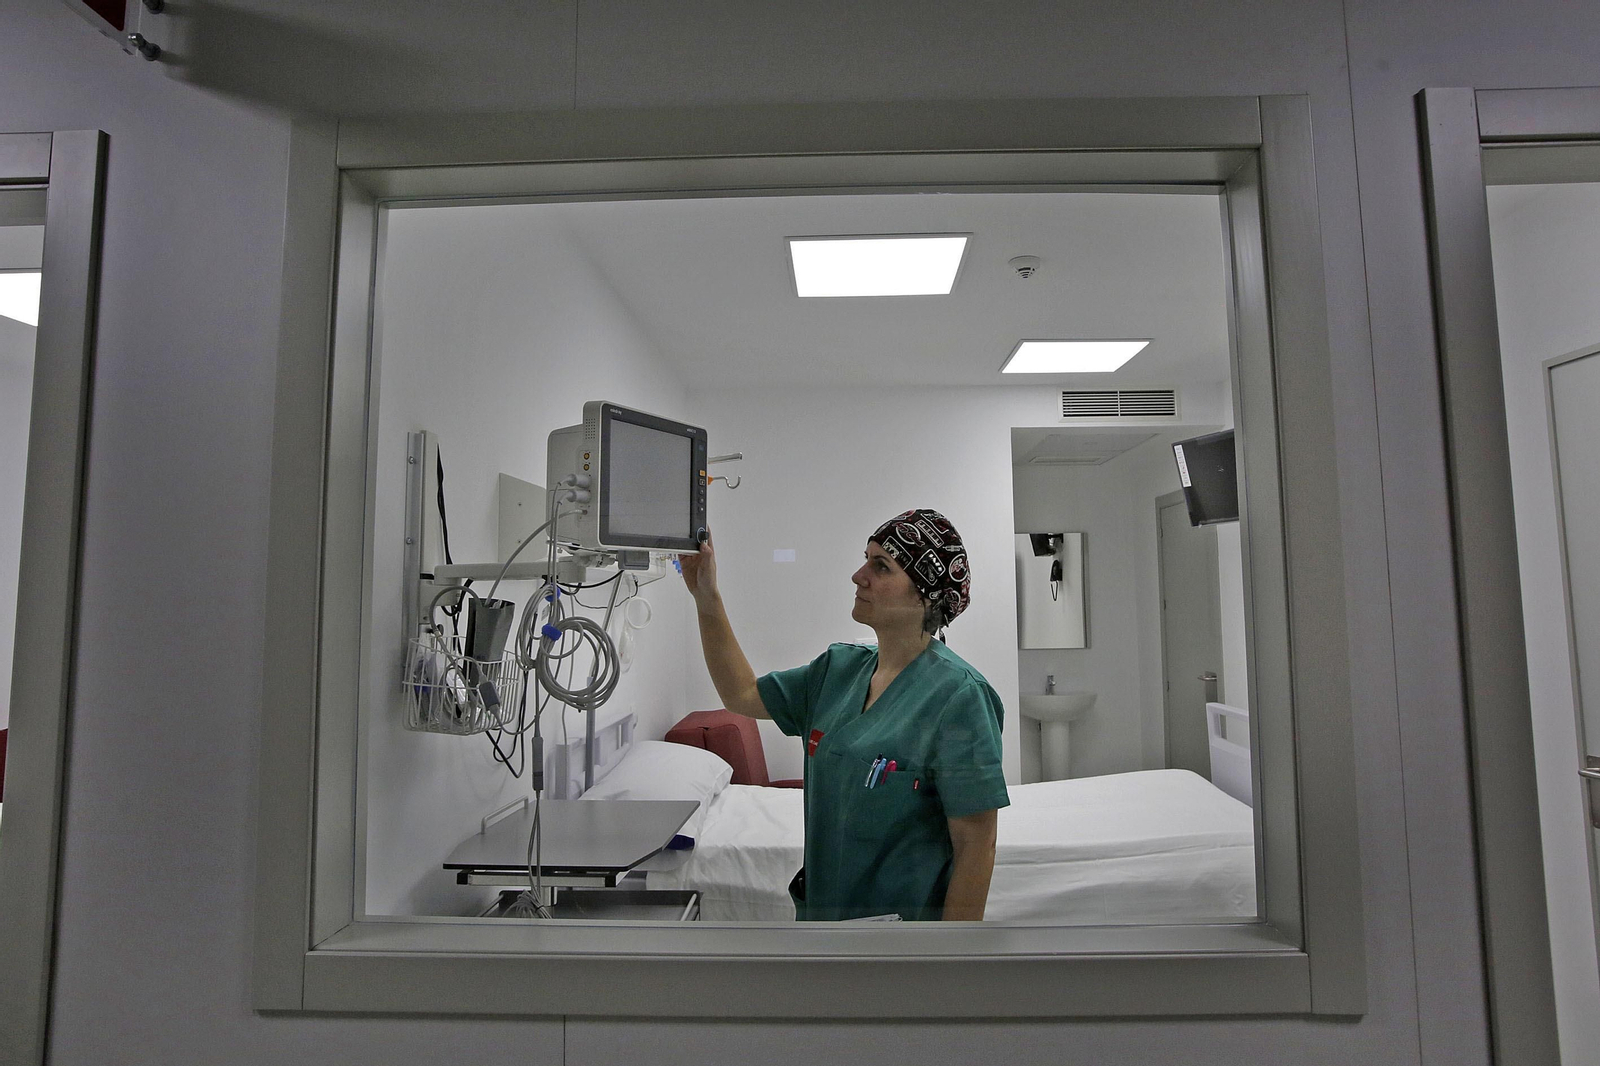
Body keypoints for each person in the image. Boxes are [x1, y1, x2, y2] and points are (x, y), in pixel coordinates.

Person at [679, 508, 1009, 921]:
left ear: (925, 594)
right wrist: (705, 595)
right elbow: (741, 694)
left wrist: (952, 961)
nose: (859, 575)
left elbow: (977, 845)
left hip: (904, 946)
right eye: (865, 559)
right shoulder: (836, 670)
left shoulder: (960, 698)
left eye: (881, 566)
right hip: (821, 923)